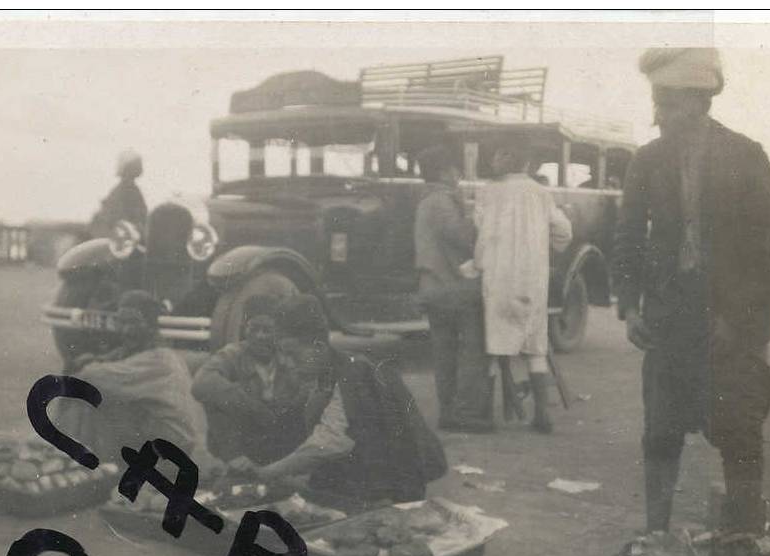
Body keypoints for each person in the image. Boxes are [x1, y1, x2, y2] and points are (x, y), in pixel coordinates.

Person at [610, 48, 770, 556]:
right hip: (670, 324)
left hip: (733, 328)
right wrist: (627, 303)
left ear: (697, 101)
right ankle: (656, 539)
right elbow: (626, 239)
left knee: (739, 435)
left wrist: (739, 317)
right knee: (660, 434)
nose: (657, 115)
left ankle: (743, 550)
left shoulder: (747, 155)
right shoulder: (648, 159)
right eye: (655, 102)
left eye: (665, 103)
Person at [231, 293, 447, 505]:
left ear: (319, 347)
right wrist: (254, 458)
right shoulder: (327, 369)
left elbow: (330, 442)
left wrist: (268, 472)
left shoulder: (355, 373)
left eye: (292, 354)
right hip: (367, 471)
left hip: (393, 487)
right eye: (282, 354)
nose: (286, 363)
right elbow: (293, 423)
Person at [474, 141, 572, 432]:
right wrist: (549, 248)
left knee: (494, 345)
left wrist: (478, 263)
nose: (493, 159)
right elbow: (564, 231)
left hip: (498, 276)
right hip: (532, 277)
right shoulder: (541, 193)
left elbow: (481, 230)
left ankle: (487, 416)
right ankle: (542, 414)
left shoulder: (487, 191)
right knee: (535, 346)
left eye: (497, 153)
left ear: (507, 158)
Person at [52, 289, 208, 469]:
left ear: (151, 327)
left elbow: (91, 377)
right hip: (160, 444)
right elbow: (116, 360)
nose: (126, 330)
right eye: (121, 322)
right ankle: (69, 459)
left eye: (134, 323)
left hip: (171, 456)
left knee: (88, 397)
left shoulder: (158, 362)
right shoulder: (147, 353)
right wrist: (96, 359)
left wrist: (83, 366)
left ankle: (68, 460)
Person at [413, 145, 493, 432]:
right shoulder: (441, 201)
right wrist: (478, 217)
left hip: (432, 287)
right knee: (472, 350)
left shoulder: (425, 200)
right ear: (444, 171)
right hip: (453, 288)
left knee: (443, 351)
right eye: (455, 169)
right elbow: (461, 236)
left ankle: (448, 411)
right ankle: (466, 413)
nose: (459, 175)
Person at [192, 292, 309, 464]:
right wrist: (252, 407)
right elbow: (201, 384)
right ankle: (236, 465)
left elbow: (307, 391)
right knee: (217, 401)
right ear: (245, 329)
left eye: (267, 330)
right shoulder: (233, 354)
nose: (260, 336)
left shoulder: (288, 358)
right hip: (240, 444)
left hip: (278, 440)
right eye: (254, 328)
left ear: (279, 332)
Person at [89, 149, 148, 239]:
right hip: (116, 236)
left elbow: (141, 215)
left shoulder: (131, 189)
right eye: (134, 166)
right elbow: (118, 218)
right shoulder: (124, 190)